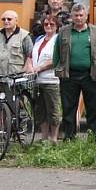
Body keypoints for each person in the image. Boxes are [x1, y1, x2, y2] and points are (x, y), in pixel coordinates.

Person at [54, 4, 96, 140]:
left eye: (81, 15)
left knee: (92, 108)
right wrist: (58, 68)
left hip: (90, 75)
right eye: (76, 15)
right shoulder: (63, 31)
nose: (78, 18)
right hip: (69, 75)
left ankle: (94, 137)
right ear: (71, 16)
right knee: (68, 108)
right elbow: (56, 52)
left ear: (86, 16)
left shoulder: (95, 31)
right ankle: (69, 137)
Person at [31, 14, 62, 143]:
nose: (48, 26)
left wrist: (40, 68)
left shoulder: (58, 40)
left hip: (51, 79)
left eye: (52, 24)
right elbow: (31, 57)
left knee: (53, 110)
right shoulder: (39, 39)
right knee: (40, 110)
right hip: (37, 80)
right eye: (46, 24)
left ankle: (54, 138)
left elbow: (57, 59)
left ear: (57, 26)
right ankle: (44, 137)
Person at [0, 10, 33, 77]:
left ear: (16, 20)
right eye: (3, 19)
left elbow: (30, 56)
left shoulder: (25, 36)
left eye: (9, 19)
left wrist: (23, 73)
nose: (6, 21)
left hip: (15, 80)